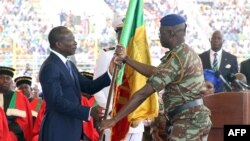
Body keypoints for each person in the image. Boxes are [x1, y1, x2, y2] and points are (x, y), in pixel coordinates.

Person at [100, 14, 212, 140]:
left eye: (161, 32)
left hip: (188, 122)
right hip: (194, 119)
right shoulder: (185, 53)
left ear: (170, 33)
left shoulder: (176, 59)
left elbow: (143, 93)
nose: (159, 36)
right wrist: (127, 59)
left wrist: (114, 119)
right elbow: (156, 72)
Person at [38, 26, 119, 141]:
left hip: (71, 128)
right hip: (58, 129)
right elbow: (56, 101)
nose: (75, 43)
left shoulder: (69, 64)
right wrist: (89, 111)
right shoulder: (50, 67)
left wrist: (109, 73)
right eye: (71, 40)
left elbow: (88, 87)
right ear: (59, 44)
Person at [93, 16, 144, 141]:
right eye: (123, 33)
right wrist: (110, 110)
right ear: (118, 35)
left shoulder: (140, 57)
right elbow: (96, 87)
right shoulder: (107, 55)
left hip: (135, 120)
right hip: (114, 117)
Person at [0, 66, 33, 141]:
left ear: (11, 82)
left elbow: (23, 122)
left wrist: (6, 132)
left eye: (8, 78)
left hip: (13, 135)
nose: (5, 80)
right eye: (1, 78)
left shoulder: (18, 97)